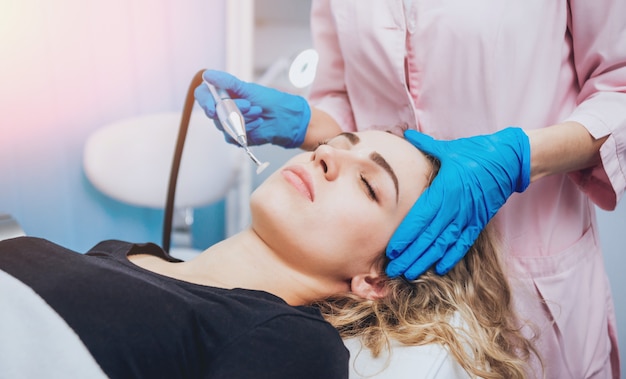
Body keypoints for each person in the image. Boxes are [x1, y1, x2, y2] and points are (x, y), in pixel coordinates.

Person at [196, 1, 625, 377]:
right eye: (333, 151)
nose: (324, 156)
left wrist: (520, 156)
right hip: (388, 289)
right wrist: (310, 122)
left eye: (368, 184)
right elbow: (344, 98)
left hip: (535, 269)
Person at [2, 130, 514, 378]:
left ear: (376, 279)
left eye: (368, 183)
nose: (327, 155)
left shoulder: (289, 344)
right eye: (340, 142)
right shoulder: (124, 253)